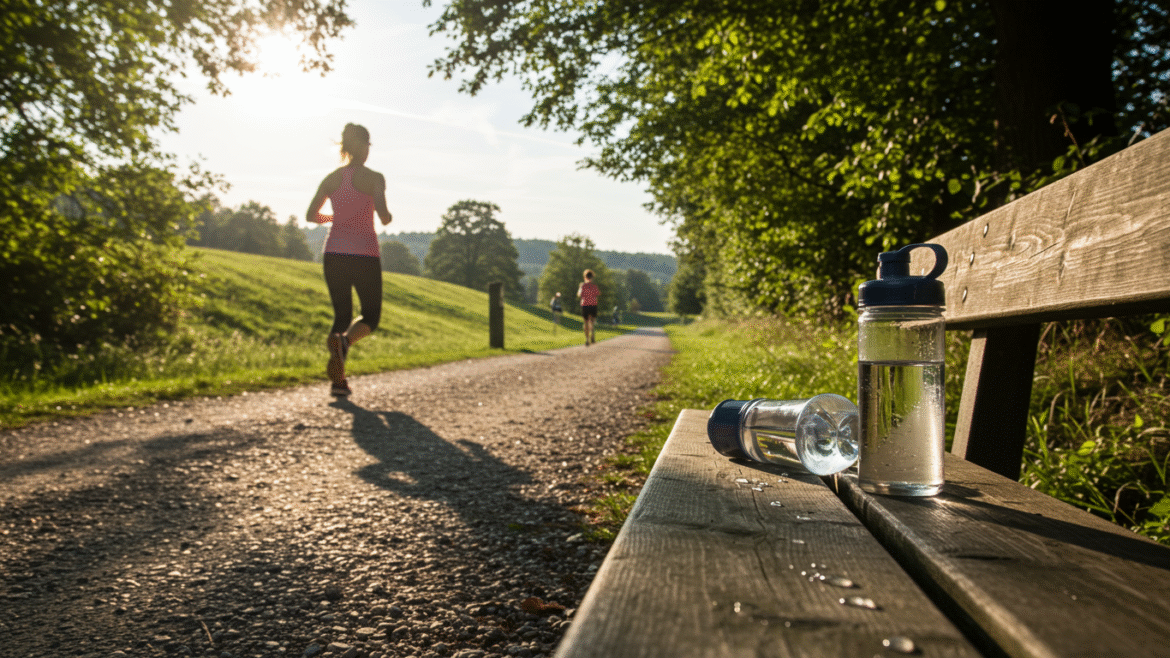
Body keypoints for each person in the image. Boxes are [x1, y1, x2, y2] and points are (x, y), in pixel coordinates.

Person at [305, 123, 393, 396]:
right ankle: (344, 344)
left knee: (342, 315)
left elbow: (311, 215)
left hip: (333, 253)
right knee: (370, 316)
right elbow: (383, 214)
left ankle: (338, 382)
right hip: (364, 254)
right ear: (365, 147)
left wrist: (335, 217)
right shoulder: (375, 178)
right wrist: (386, 216)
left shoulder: (331, 178)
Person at [577, 270, 600, 346]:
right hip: (593, 305)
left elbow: (579, 294)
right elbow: (598, 294)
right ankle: (592, 333)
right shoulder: (594, 286)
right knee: (592, 322)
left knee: (586, 322)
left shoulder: (582, 285)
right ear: (592, 277)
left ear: (585, 277)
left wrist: (581, 288)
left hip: (585, 305)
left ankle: (587, 339)